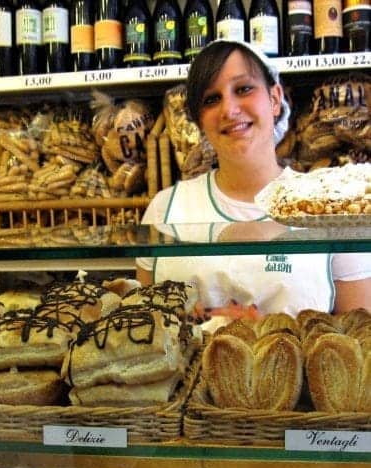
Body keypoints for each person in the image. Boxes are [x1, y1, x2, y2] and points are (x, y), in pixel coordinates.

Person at [137, 40, 371, 316]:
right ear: (200, 121)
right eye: (212, 99)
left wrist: (267, 333)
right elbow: (143, 325)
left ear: (274, 99)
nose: (229, 109)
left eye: (243, 89)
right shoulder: (166, 207)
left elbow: (358, 338)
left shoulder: (328, 209)